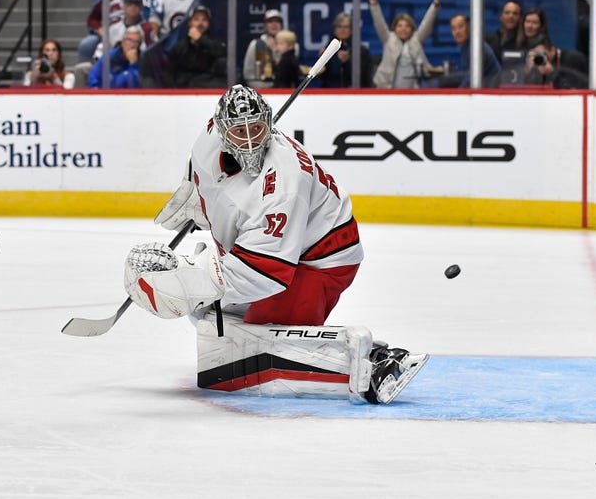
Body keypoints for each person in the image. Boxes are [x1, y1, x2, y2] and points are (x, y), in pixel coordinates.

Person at [129, 84, 427, 404]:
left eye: (256, 129)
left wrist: (191, 281)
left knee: (239, 358)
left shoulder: (284, 182)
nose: (248, 141)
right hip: (284, 252)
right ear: (219, 128)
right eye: (238, 131)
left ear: (269, 123)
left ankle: (375, 364)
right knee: (211, 319)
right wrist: (199, 200)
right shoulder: (207, 139)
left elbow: (265, 272)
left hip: (318, 262)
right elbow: (205, 177)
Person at [365, 0, 444, 89]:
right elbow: (379, 21)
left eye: (407, 26)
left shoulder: (416, 39)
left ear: (412, 29)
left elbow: (427, 22)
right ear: (395, 28)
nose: (403, 29)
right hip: (387, 90)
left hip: (413, 93)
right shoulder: (388, 39)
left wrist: (436, 2)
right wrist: (373, 2)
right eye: (400, 26)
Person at [167, 4, 226, 88]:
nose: (200, 23)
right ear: (190, 23)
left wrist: (200, 39)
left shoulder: (215, 44)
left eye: (204, 20)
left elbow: (222, 52)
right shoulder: (179, 47)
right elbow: (169, 74)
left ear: (209, 23)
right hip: (184, 92)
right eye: (196, 19)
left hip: (208, 89)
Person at [319, 12, 374, 88]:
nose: (342, 30)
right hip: (331, 93)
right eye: (339, 26)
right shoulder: (327, 50)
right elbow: (322, 77)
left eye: (346, 27)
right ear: (334, 29)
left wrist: (348, 62)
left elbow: (365, 76)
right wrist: (322, 62)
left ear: (351, 30)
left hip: (354, 93)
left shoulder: (361, 51)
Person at [446, 13, 501, 88]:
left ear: (469, 27)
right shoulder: (465, 46)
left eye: (460, 27)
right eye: (453, 28)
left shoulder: (477, 47)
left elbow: (471, 79)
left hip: (493, 92)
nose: (457, 32)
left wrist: (456, 95)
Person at [243, 8, 284, 89]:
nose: (274, 24)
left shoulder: (290, 45)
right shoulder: (256, 44)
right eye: (270, 21)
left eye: (277, 21)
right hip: (260, 89)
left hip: (284, 90)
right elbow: (248, 75)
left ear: (282, 25)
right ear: (265, 25)